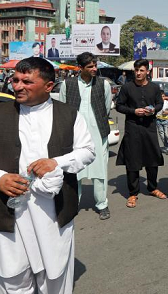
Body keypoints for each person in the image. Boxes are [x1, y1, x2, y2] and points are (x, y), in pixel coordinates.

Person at [0, 57, 95, 293]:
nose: (17, 86)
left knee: (54, 279)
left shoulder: (69, 114)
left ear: (48, 86)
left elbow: (87, 151)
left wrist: (56, 162)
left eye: (27, 81)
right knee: (12, 279)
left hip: (52, 214)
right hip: (7, 212)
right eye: (15, 80)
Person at [59, 52, 112, 220]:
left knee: (100, 171)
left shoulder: (104, 85)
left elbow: (106, 108)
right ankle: (74, 203)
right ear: (80, 68)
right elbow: (62, 109)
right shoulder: (68, 84)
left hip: (98, 133)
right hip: (75, 135)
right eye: (90, 66)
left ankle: (102, 204)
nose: (94, 69)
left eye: (95, 65)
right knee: (75, 170)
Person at [115, 59, 165, 208]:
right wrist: (133, 111)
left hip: (149, 127)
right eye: (136, 70)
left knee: (152, 159)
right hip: (133, 128)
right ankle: (133, 193)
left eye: (141, 70)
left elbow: (160, 103)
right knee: (133, 160)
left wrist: (153, 110)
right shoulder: (127, 88)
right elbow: (119, 106)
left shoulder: (154, 88)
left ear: (147, 72)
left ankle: (152, 187)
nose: (138, 73)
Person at [156, 90, 168, 155]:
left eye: (163, 96)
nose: (162, 98)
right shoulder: (156, 103)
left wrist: (167, 112)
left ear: (165, 96)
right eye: (160, 96)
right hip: (158, 120)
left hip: (166, 120)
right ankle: (166, 147)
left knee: (166, 134)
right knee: (161, 134)